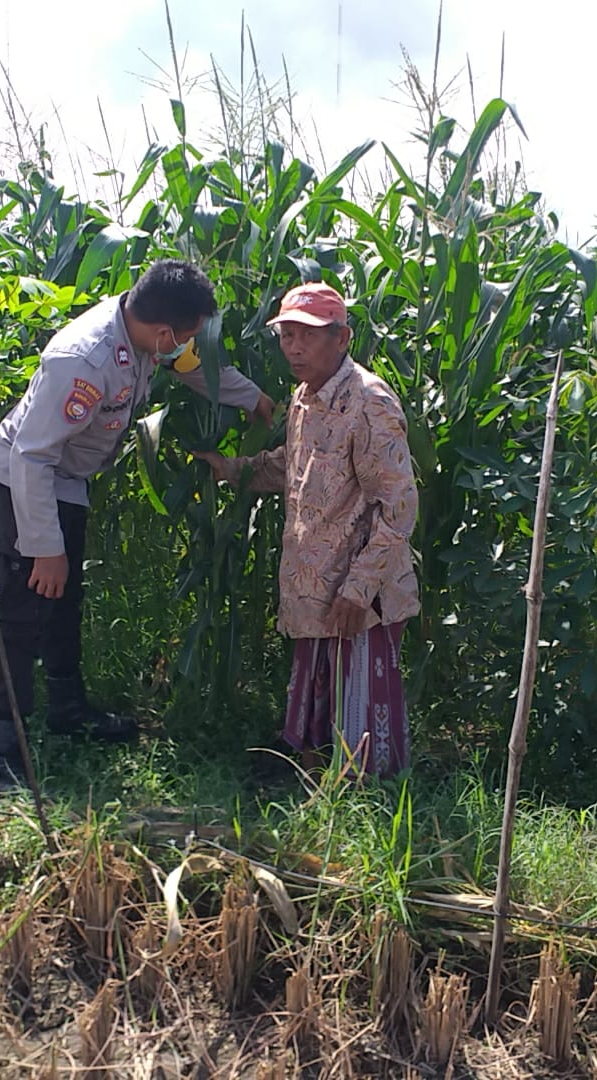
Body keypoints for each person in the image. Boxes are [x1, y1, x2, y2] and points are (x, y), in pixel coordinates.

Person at [0, 259, 274, 792]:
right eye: (183, 338)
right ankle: (4, 747)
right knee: (21, 606)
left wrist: (251, 398)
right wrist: (44, 547)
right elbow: (30, 456)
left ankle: (67, 708)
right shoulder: (82, 361)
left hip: (65, 477)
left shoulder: (145, 335)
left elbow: (192, 368)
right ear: (164, 331)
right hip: (27, 476)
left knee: (64, 596)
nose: (184, 346)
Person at [195, 281, 418, 778]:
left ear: (342, 339)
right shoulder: (304, 398)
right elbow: (291, 467)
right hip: (314, 582)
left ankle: (366, 813)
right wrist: (233, 469)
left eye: (307, 335)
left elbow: (399, 505)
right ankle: (315, 795)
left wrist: (359, 588)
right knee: (319, 695)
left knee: (358, 713)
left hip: (360, 593)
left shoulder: (369, 402)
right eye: (286, 335)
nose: (293, 347)